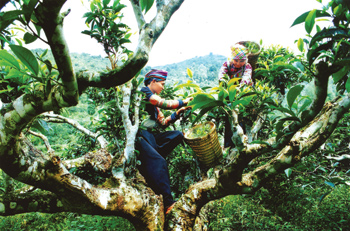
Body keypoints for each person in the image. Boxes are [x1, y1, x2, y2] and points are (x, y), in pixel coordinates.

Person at [137, 69, 192, 214]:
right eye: (162, 84)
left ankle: (153, 160)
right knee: (160, 162)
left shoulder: (154, 106)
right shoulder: (143, 93)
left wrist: (176, 114)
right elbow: (161, 102)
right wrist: (182, 102)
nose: (163, 87)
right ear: (153, 82)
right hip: (139, 136)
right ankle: (168, 203)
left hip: (149, 137)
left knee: (177, 135)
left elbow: (163, 122)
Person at [218, 44, 253, 148]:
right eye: (236, 60)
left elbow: (246, 78)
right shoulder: (227, 64)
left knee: (242, 115)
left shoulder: (247, 66)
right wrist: (224, 84)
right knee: (230, 118)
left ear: (245, 60)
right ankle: (228, 145)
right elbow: (221, 75)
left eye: (241, 61)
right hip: (230, 93)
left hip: (243, 93)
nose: (238, 63)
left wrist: (240, 88)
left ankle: (243, 141)